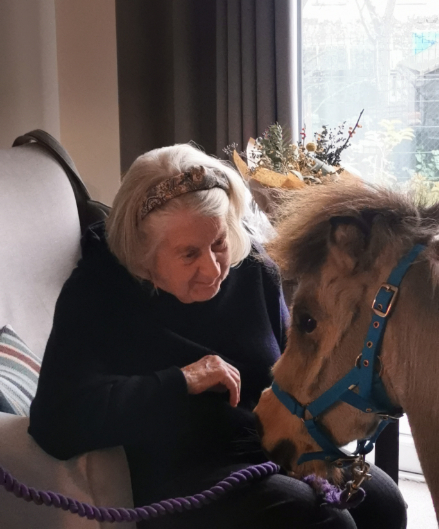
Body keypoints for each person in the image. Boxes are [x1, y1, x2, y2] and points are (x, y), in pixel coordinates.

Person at [29, 143, 407, 529]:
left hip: (263, 446)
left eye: (219, 242)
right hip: (179, 475)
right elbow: (54, 423)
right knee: (322, 519)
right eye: (189, 254)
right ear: (143, 252)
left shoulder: (254, 268)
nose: (212, 269)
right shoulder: (97, 291)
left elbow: (288, 373)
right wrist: (180, 381)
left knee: (382, 501)